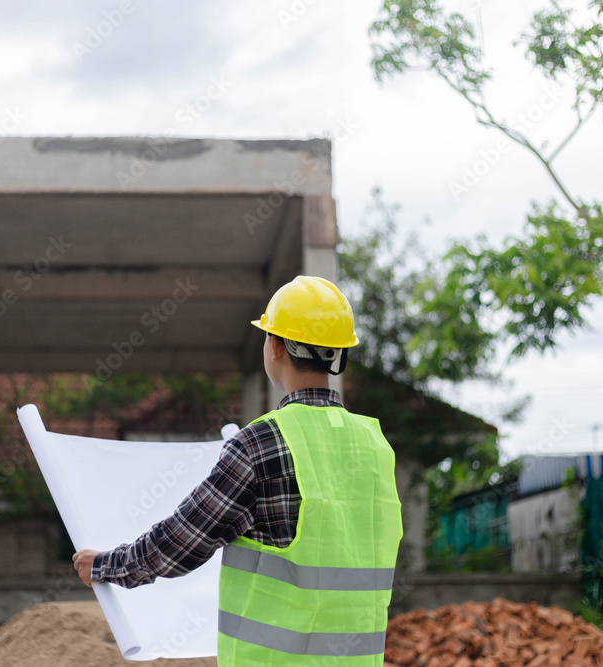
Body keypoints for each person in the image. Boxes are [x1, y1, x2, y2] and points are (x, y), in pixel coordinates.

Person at [73, 275, 403, 665]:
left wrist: (106, 565)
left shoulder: (260, 444)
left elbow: (180, 542)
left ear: (276, 346)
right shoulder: (376, 447)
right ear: (337, 354)